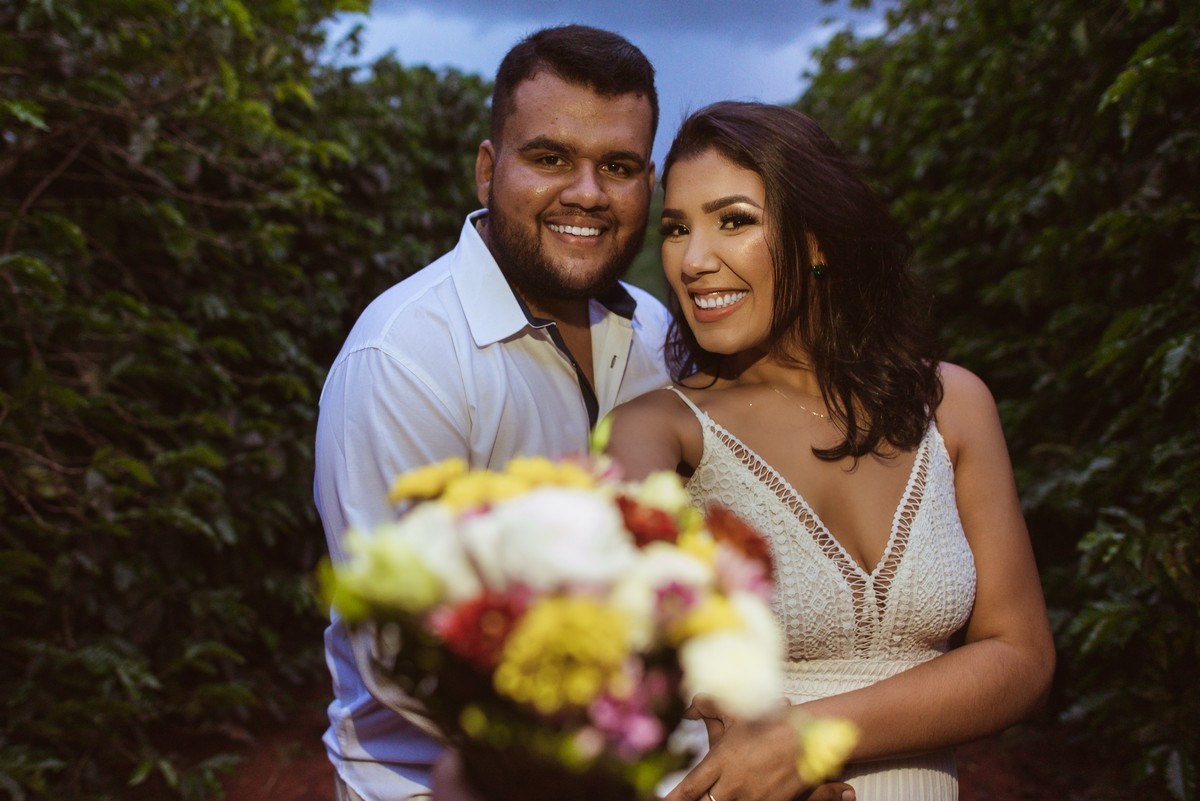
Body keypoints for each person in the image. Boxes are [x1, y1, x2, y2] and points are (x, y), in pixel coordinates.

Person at [606, 102, 1056, 801]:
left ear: (818, 242)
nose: (692, 261)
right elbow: (612, 672)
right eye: (676, 229)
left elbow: (1021, 657)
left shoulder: (953, 405)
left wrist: (805, 738)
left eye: (734, 221)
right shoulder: (656, 432)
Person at [313, 25, 669, 801]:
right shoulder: (404, 355)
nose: (587, 193)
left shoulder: (656, 330)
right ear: (487, 170)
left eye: (618, 166)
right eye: (550, 158)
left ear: (650, 181)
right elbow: (402, 648)